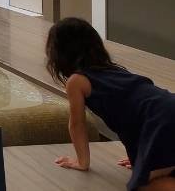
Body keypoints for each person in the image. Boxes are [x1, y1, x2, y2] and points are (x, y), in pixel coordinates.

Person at [45, 18, 175, 191]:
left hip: (162, 119)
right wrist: (145, 154)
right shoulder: (113, 70)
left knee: (144, 186)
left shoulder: (77, 81)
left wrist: (82, 162)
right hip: (167, 106)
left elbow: (77, 124)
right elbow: (135, 113)